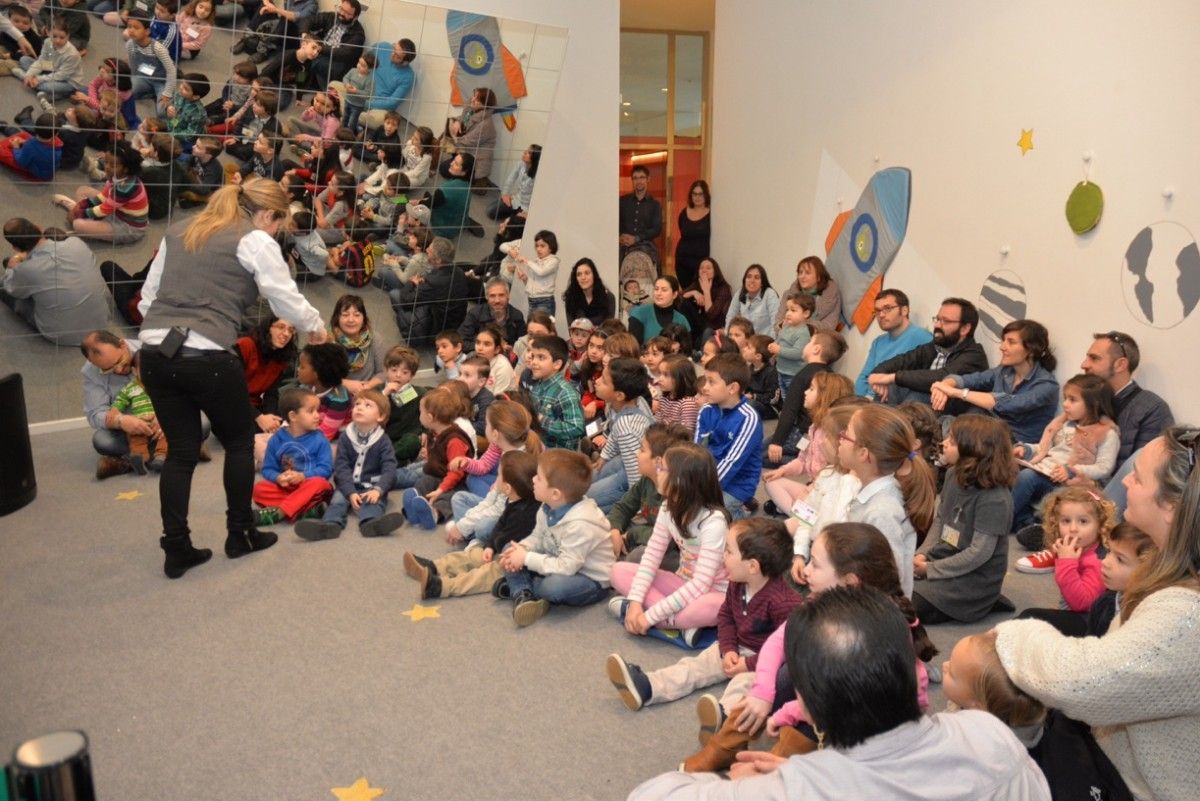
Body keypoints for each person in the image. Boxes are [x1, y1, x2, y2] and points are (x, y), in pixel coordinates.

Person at [630, 585, 1050, 800]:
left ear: (808, 704)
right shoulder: (990, 734)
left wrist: (735, 783)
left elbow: (650, 795)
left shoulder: (799, 788)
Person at [994, 425, 1200, 801]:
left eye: (1137, 477)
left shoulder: (1186, 613)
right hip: (1113, 748)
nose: (1126, 484)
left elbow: (1077, 684)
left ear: (1171, 508)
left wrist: (1008, 636)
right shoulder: (1170, 573)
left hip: (1132, 783)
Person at [136, 178, 327, 580]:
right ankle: (240, 534)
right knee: (240, 441)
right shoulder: (254, 239)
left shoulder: (179, 230)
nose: (275, 232)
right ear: (268, 214)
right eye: (278, 224)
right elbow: (282, 296)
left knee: (181, 452)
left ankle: (177, 547)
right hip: (206, 352)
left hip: (154, 353)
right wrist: (315, 325)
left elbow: (147, 299)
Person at [686, 522, 938, 771]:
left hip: (872, 732)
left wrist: (787, 711)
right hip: (834, 703)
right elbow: (779, 640)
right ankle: (726, 747)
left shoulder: (870, 634)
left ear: (849, 581)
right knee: (787, 671)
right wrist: (762, 692)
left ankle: (775, 768)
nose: (805, 571)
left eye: (815, 564)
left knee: (798, 682)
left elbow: (840, 700)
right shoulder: (824, 600)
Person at [606, 517, 802, 714]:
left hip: (766, 660)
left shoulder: (783, 603)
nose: (723, 556)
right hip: (735, 646)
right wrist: (728, 649)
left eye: (729, 551)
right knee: (694, 667)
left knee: (743, 686)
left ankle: (725, 718)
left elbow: (786, 650)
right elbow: (726, 616)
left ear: (752, 566)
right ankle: (648, 687)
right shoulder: (737, 582)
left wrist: (748, 664)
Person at [609, 442, 731, 638]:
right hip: (682, 583)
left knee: (715, 607)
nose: (657, 472)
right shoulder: (668, 507)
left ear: (681, 481)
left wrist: (648, 617)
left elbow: (701, 584)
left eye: (662, 468)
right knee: (617, 571)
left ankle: (663, 621)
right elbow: (651, 558)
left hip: (712, 592)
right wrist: (635, 602)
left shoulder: (713, 522)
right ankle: (679, 626)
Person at [911, 415, 1017, 623]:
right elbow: (941, 519)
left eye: (952, 441)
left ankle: (985, 601)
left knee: (905, 607)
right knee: (891, 586)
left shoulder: (995, 499)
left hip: (972, 580)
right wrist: (923, 554)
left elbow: (978, 554)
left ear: (973, 450)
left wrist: (931, 570)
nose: (943, 444)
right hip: (945, 559)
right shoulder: (952, 475)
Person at [494, 448, 616, 626]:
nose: (533, 480)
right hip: (557, 560)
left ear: (556, 493)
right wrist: (522, 549)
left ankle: (522, 587)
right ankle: (523, 593)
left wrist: (525, 558)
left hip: (590, 580)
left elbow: (566, 567)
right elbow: (537, 537)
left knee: (554, 587)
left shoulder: (581, 524)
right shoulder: (546, 506)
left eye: (539, 478)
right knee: (509, 548)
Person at [404, 450, 541, 600]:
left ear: (508, 488)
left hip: (517, 564)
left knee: (482, 575)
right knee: (472, 555)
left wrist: (494, 546)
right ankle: (435, 566)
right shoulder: (514, 499)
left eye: (499, 475)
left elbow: (506, 537)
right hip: (503, 550)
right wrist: (490, 546)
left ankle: (443, 587)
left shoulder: (525, 513)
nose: (496, 479)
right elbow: (501, 524)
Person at [840, 404, 937, 597]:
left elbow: (890, 579)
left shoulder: (882, 512)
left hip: (875, 612)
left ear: (863, 454)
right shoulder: (871, 494)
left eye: (846, 434)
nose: (840, 438)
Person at [1009, 373, 1119, 535]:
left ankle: (1037, 528)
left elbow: (1104, 468)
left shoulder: (1106, 433)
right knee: (1024, 477)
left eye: (1072, 400)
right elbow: (1045, 448)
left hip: (1077, 485)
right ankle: (1014, 521)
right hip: (1046, 474)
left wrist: (1071, 469)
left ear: (1093, 404)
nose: (1065, 404)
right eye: (1065, 398)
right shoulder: (1063, 425)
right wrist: (1027, 450)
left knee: (1056, 500)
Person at [1079, 330, 1174, 509]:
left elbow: (1142, 476)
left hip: (1113, 501)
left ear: (1120, 364)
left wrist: (1092, 486)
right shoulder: (1086, 403)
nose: (1084, 364)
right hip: (1076, 488)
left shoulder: (1152, 408)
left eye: (1094, 358)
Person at [930, 319, 1061, 445]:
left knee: (966, 419)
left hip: (1014, 445)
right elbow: (969, 379)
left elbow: (1006, 403)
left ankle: (942, 451)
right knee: (940, 419)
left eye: (1011, 342)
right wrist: (944, 387)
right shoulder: (1004, 371)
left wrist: (956, 392)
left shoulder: (1047, 385)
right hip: (987, 433)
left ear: (1031, 350)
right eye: (1003, 341)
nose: (1002, 347)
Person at [294, 389, 404, 540]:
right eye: (357, 404)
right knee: (337, 502)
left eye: (367, 405)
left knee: (374, 503)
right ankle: (329, 526)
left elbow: (390, 469)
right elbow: (341, 466)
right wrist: (350, 492)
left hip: (372, 485)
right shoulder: (346, 437)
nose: (359, 407)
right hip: (347, 484)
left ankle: (371, 523)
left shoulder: (383, 440)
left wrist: (378, 490)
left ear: (381, 416)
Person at [1, 218, 109, 346]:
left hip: (63, 335)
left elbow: (14, 290)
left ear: (16, 248)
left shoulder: (26, 270)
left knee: (5, 285)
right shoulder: (76, 243)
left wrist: (12, 266)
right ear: (39, 227)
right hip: (101, 321)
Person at [868, 297, 989, 407]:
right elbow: (903, 360)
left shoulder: (974, 355)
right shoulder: (935, 346)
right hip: (924, 404)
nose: (937, 325)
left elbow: (941, 377)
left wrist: (893, 377)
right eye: (937, 319)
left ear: (965, 329)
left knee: (917, 397)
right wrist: (878, 374)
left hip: (951, 412)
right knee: (889, 390)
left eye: (945, 321)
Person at [1013, 487, 1115, 619]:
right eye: (1066, 521)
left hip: (1087, 623)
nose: (1073, 529)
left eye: (1083, 521)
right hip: (1074, 611)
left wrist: (1066, 563)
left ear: (1100, 525)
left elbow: (1082, 603)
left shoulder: (1098, 561)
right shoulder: (1081, 548)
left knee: (1029, 617)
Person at [762, 372, 855, 516]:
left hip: (826, 495)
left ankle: (800, 518)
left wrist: (811, 491)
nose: (805, 392)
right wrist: (783, 471)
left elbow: (835, 482)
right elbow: (802, 460)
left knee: (797, 502)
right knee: (771, 482)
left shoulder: (835, 438)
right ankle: (800, 515)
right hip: (813, 486)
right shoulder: (813, 427)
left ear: (824, 397)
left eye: (811, 389)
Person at [250, 387, 333, 526]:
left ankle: (279, 513)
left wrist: (303, 476)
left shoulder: (320, 439)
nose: (317, 415)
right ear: (293, 416)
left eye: (317, 410)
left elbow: (326, 469)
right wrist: (278, 477)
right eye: (311, 411)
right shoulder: (276, 439)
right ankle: (308, 511)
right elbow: (268, 469)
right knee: (259, 489)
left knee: (320, 484)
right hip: (288, 488)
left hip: (310, 486)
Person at [765, 328, 847, 466]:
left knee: (756, 456)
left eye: (809, 342)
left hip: (800, 433)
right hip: (817, 434)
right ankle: (810, 454)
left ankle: (806, 460)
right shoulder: (831, 376)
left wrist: (777, 442)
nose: (806, 344)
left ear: (816, 349)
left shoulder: (803, 375)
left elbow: (789, 411)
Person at [395, 386, 472, 529]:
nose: (419, 416)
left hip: (458, 481)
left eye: (420, 412)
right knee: (423, 482)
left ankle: (435, 513)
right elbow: (437, 452)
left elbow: (457, 472)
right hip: (438, 474)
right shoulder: (435, 431)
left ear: (430, 418)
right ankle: (414, 506)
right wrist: (429, 455)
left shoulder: (455, 440)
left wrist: (441, 489)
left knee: (448, 498)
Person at [696, 353, 763, 518]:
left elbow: (732, 462)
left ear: (732, 388)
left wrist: (704, 491)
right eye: (705, 380)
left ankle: (740, 515)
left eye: (711, 382)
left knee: (707, 516)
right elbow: (697, 451)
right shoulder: (706, 410)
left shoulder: (748, 418)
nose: (704, 387)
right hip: (708, 477)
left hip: (737, 484)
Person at [587, 358, 655, 513]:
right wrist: (603, 457)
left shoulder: (628, 428)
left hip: (636, 471)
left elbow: (636, 474)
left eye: (603, 381)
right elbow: (614, 434)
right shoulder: (616, 404)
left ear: (619, 395)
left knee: (587, 499)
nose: (596, 381)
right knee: (585, 482)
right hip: (623, 459)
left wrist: (636, 507)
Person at [53, 140, 148, 244]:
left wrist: (80, 212)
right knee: (82, 191)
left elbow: (105, 209)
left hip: (128, 228)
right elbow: (103, 196)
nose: (107, 167)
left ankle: (84, 216)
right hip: (115, 210)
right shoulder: (117, 176)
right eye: (106, 162)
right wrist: (82, 205)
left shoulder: (125, 188)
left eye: (113, 165)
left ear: (126, 169)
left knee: (78, 224)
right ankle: (87, 216)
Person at [854, 289, 934, 398]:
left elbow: (926, 378)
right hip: (870, 401)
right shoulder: (878, 342)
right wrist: (858, 401)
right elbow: (865, 377)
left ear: (904, 310)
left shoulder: (923, 337)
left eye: (887, 308)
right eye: (877, 310)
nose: (881, 315)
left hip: (896, 403)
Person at [393, 236, 469, 347]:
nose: (427, 249)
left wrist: (411, 282)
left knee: (395, 294)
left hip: (438, 328)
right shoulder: (458, 271)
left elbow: (406, 301)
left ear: (438, 260)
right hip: (455, 322)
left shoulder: (434, 282)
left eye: (430, 250)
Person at [353, 39, 416, 134]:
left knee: (380, 120)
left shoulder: (408, 76)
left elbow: (392, 103)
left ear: (405, 62)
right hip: (360, 90)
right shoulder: (383, 47)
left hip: (377, 107)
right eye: (394, 48)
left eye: (397, 56)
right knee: (333, 85)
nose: (392, 54)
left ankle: (353, 115)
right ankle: (355, 117)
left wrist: (366, 103)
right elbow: (363, 61)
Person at [443, 86, 497, 182]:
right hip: (465, 151)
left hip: (475, 162)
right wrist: (457, 122)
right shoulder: (472, 108)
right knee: (450, 126)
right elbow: (463, 119)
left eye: (477, 99)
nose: (472, 99)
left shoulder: (486, 125)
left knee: (444, 169)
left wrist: (451, 135)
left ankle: (477, 181)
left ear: (484, 105)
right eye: (474, 96)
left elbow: (466, 141)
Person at [502, 229, 560, 316]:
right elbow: (534, 284)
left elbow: (541, 272)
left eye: (542, 246)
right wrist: (525, 279)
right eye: (537, 246)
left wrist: (526, 260)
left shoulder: (553, 261)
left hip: (545, 301)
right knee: (532, 328)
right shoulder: (536, 261)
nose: (538, 249)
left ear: (551, 247)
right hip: (532, 300)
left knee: (542, 328)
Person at [778, 255, 843, 330]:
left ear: (819, 277)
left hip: (817, 338)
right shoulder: (789, 294)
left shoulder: (831, 295)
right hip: (785, 336)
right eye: (800, 272)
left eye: (807, 273)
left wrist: (800, 324)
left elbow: (828, 327)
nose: (802, 276)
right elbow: (778, 323)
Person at [457, 277, 526, 346]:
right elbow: (461, 341)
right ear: (487, 297)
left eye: (501, 295)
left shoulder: (517, 316)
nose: (497, 300)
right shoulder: (475, 314)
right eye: (492, 296)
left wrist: (511, 350)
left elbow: (522, 344)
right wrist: (488, 347)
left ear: (508, 296)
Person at [679, 257, 731, 344]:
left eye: (708, 268)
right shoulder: (697, 283)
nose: (704, 270)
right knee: (684, 303)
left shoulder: (723, 288)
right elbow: (678, 297)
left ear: (715, 271)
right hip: (701, 322)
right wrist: (694, 292)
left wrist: (706, 290)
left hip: (715, 326)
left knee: (707, 330)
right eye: (701, 268)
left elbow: (711, 314)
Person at [619, 164, 662, 266]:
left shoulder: (655, 204)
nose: (638, 181)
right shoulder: (622, 201)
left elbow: (656, 229)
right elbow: (615, 222)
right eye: (635, 178)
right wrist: (620, 236)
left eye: (642, 177)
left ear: (648, 179)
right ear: (632, 181)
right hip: (623, 245)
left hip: (646, 246)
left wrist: (636, 238)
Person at [628, 276, 690, 345]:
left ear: (674, 294)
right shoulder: (639, 313)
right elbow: (632, 349)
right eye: (656, 289)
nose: (658, 293)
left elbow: (686, 351)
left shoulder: (681, 320)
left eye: (664, 290)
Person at [674, 179, 711, 290]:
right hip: (682, 262)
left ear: (706, 195)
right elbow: (682, 231)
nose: (697, 197)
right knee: (687, 294)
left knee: (700, 294)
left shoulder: (712, 214)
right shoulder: (684, 213)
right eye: (694, 194)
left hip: (701, 265)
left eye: (700, 194)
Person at [723, 264, 778, 336]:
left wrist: (771, 343)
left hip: (763, 341)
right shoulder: (740, 292)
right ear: (744, 280)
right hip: (745, 341)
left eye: (757, 278)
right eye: (749, 277)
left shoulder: (769, 294)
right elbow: (730, 316)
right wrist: (728, 335)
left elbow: (775, 322)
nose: (752, 281)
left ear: (762, 282)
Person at [562, 257, 616, 326]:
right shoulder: (570, 298)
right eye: (579, 274)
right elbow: (571, 328)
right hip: (578, 336)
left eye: (587, 273)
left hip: (600, 337)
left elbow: (609, 329)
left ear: (594, 275)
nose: (583, 278)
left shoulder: (608, 297)